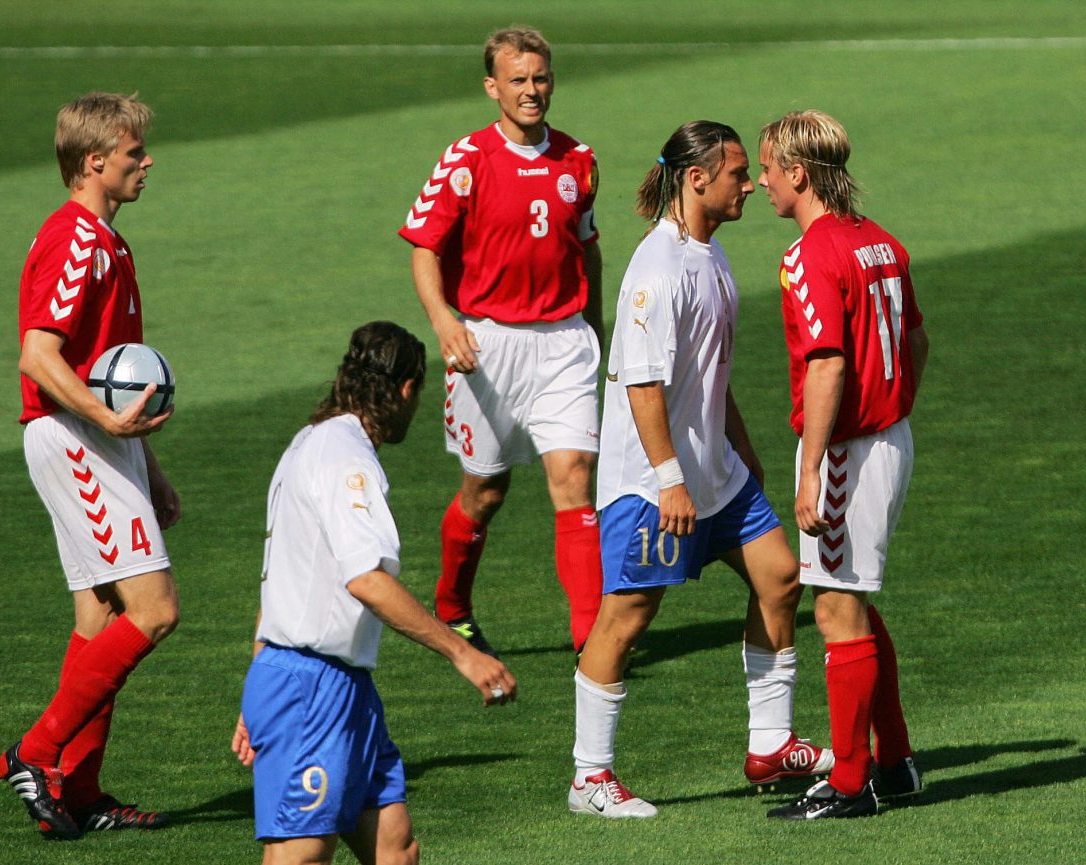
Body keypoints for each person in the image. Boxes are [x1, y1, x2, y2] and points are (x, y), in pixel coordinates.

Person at [568, 121, 834, 820]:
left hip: (714, 471)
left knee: (780, 575)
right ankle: (589, 776)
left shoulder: (708, 256)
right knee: (627, 615)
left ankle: (771, 743)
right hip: (651, 481)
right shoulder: (656, 271)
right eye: (739, 173)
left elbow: (709, 376)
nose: (750, 183)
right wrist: (668, 477)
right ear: (697, 179)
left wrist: (739, 445)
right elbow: (644, 386)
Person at [230, 322, 517, 865]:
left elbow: (278, 575)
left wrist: (257, 681)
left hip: (336, 685)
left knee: (395, 848)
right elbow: (366, 579)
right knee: (302, 854)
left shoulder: (310, 443)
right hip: (309, 686)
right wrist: (464, 652)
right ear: (407, 389)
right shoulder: (345, 460)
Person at [0, 92, 178, 839]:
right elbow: (39, 355)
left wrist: (146, 461)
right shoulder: (76, 240)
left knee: (100, 616)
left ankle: (78, 793)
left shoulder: (109, 240)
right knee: (155, 609)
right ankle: (34, 753)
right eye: (134, 154)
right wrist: (105, 422)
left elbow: (107, 368)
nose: (147, 163)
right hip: (74, 436)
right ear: (94, 161)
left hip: (102, 438)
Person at [398, 26, 604, 657]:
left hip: (565, 342)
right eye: (518, 81)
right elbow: (426, 248)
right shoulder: (466, 160)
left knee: (574, 480)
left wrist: (596, 328)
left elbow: (589, 250)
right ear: (493, 88)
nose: (532, 91)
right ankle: (453, 602)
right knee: (485, 491)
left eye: (540, 78)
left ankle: (591, 639)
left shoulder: (579, 160)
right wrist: (444, 323)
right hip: (487, 345)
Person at [757, 109, 929, 820]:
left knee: (833, 607)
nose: (763, 180)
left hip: (847, 451)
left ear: (798, 173)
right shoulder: (881, 243)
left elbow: (826, 364)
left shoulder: (810, 255)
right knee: (850, 594)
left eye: (769, 166)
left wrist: (811, 468)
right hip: (889, 437)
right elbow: (916, 341)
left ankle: (851, 782)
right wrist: (893, 403)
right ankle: (893, 761)